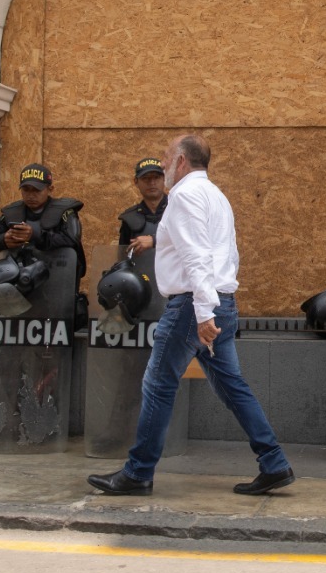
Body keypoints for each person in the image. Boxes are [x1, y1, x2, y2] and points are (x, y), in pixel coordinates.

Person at [88, 134, 294, 497]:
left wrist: (202, 312)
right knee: (231, 385)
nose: (163, 163)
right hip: (220, 301)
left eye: (167, 157)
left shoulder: (183, 196)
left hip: (193, 306)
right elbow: (227, 254)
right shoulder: (216, 195)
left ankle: (137, 473)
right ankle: (274, 462)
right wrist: (214, 305)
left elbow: (197, 256)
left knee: (158, 384)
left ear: (182, 161)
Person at [0, 163, 86, 289]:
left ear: (50, 189)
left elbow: (72, 239)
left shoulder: (64, 211)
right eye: (26, 190)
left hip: (58, 280)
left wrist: (36, 236)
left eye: (37, 190)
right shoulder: (12, 212)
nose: (31, 195)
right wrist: (4, 239)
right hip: (21, 283)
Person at [118, 157, 168, 255]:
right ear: (136, 182)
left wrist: (154, 240)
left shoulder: (178, 210)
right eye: (146, 178)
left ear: (164, 179)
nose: (152, 182)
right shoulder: (130, 219)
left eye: (156, 177)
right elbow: (123, 258)